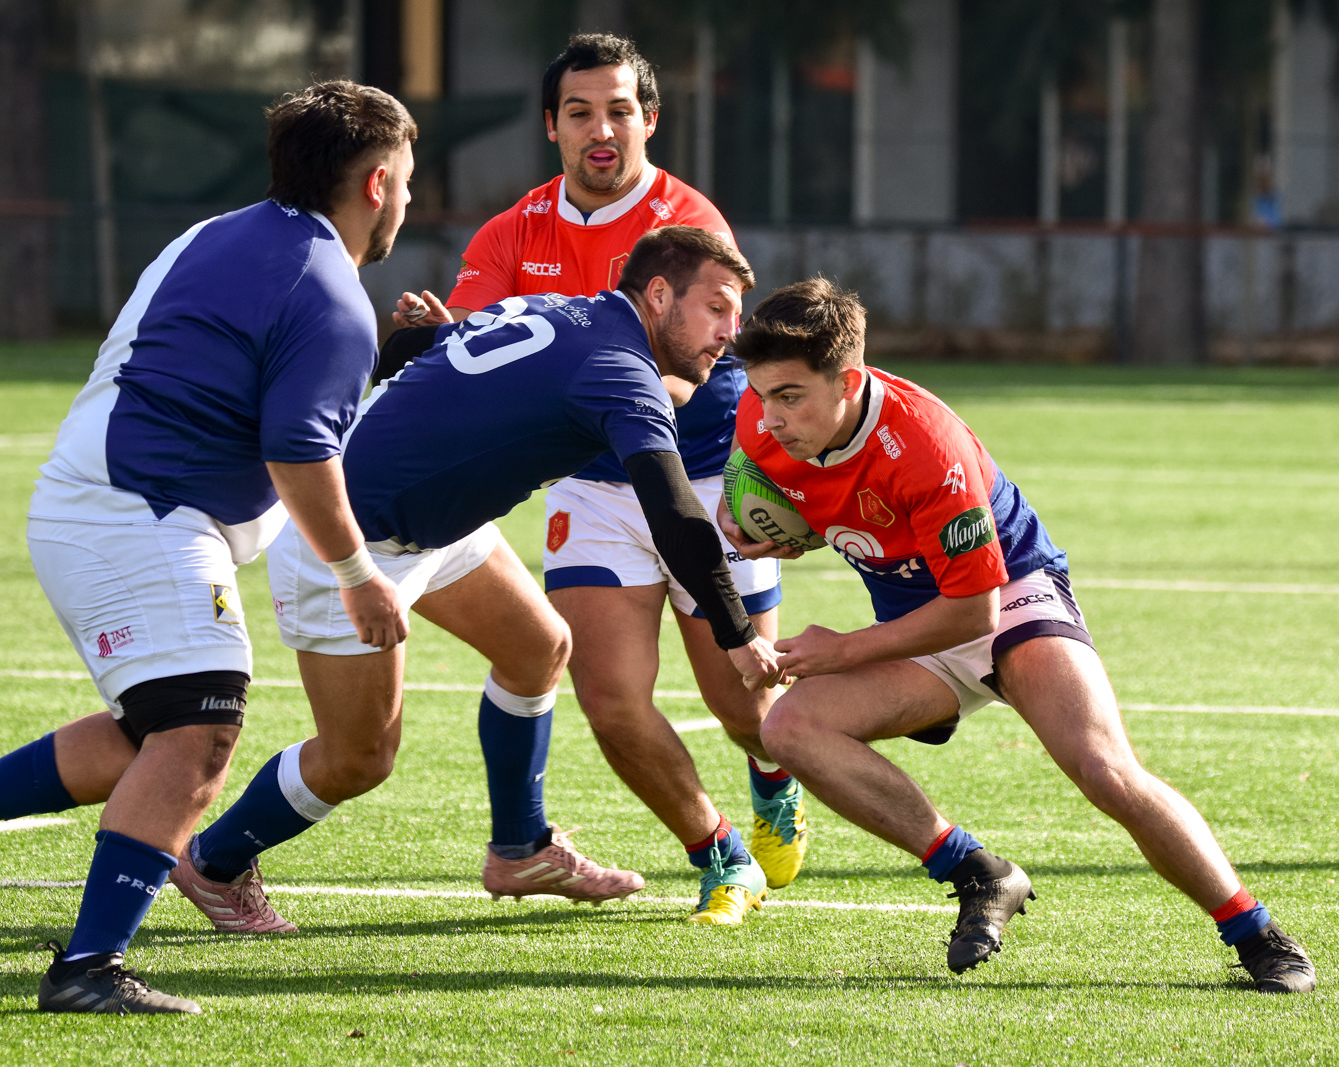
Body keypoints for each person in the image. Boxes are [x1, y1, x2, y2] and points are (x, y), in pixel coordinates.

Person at [174, 226, 787, 932]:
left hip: (432, 518)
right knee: (359, 757)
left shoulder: (566, 308)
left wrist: (430, 338)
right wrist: (738, 635)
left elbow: (425, 360)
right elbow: (677, 517)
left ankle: (520, 849)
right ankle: (213, 862)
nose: (730, 331)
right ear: (656, 294)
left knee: (538, 647)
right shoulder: (619, 368)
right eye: (717, 308)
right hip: (349, 539)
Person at [721, 279, 1319, 991]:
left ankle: (1257, 934)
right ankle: (977, 872)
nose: (772, 416)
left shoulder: (924, 443)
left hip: (1009, 599)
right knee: (791, 728)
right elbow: (829, 508)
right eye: (761, 394)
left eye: (791, 395)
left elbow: (974, 611)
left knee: (1105, 769)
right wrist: (780, 535)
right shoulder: (757, 426)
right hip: (918, 625)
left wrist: (842, 648)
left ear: (849, 380)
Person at [0, 81, 415, 1013]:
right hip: (139, 511)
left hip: (102, 495)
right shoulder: (333, 294)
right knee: (201, 727)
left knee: (150, 736)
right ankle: (86, 970)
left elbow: (236, 365)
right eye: (411, 183)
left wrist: (374, 362)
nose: (411, 201)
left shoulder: (218, 231)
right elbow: (299, 451)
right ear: (379, 182)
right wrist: (358, 578)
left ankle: (89, 958)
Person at [381, 33, 804, 924]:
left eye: (619, 110)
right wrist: (427, 336)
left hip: (702, 478)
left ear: (650, 120)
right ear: (552, 127)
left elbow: (688, 372)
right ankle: (721, 853)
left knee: (744, 704)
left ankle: (772, 781)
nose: (600, 128)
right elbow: (483, 350)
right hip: (591, 486)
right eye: (580, 112)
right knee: (612, 701)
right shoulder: (511, 232)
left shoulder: (690, 223)